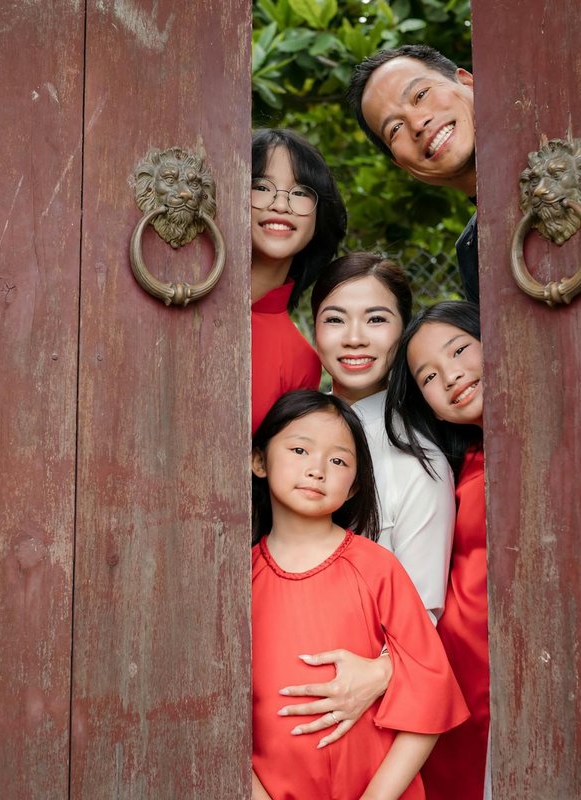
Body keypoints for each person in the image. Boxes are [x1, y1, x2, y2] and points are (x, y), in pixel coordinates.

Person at [250, 390, 469, 800]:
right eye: (299, 450)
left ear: (354, 487)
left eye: (338, 461)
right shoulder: (238, 581)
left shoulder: (377, 568)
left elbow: (431, 695)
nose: (317, 469)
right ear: (259, 461)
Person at [310, 252, 455, 621]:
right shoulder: (289, 431)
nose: (354, 338)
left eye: (376, 319)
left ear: (404, 331)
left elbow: (419, 619)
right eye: (335, 319)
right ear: (314, 330)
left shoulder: (421, 464)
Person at [386, 301, 488, 799]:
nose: (451, 376)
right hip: (456, 678)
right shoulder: (454, 466)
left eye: (460, 349)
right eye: (428, 376)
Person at [345, 46, 480, 305]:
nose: (417, 124)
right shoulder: (472, 253)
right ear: (401, 165)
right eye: (395, 128)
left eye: (420, 95)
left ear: (467, 82)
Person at [250, 129, 347, 433]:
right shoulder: (178, 296)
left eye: (301, 192)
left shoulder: (301, 361)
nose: (281, 205)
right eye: (261, 186)